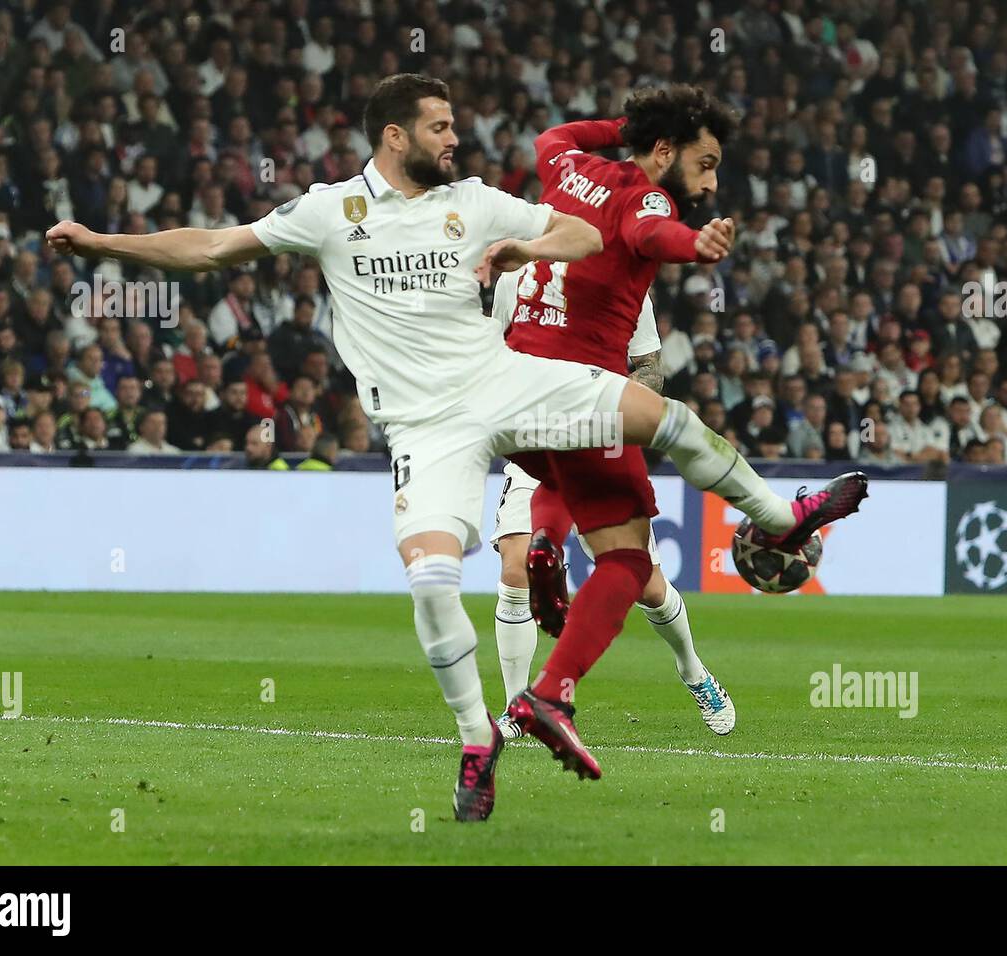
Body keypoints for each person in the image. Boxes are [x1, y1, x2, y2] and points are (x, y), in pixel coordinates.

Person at [46, 73, 861, 823]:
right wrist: (102, 244)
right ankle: (480, 740)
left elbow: (580, 236)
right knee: (432, 579)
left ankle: (781, 515)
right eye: (439, 127)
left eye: (454, 127)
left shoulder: (473, 199)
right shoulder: (330, 212)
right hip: (427, 428)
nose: (454, 140)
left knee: (660, 414)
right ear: (394, 137)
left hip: (504, 379)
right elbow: (213, 246)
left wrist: (523, 247)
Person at [496, 87, 866, 780]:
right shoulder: (646, 196)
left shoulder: (564, 166)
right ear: (665, 152)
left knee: (561, 481)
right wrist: (695, 244)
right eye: (705, 162)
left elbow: (554, 134)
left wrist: (628, 126)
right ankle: (783, 518)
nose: (711, 181)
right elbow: (648, 232)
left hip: (509, 389)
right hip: (579, 393)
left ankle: (547, 550)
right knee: (632, 555)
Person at [489, 275, 735, 739]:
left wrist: (607, 403)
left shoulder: (624, 283)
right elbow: (496, 356)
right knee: (515, 565)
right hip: (537, 442)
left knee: (649, 587)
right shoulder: (515, 277)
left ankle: (694, 672)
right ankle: (518, 709)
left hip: (600, 446)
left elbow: (650, 368)